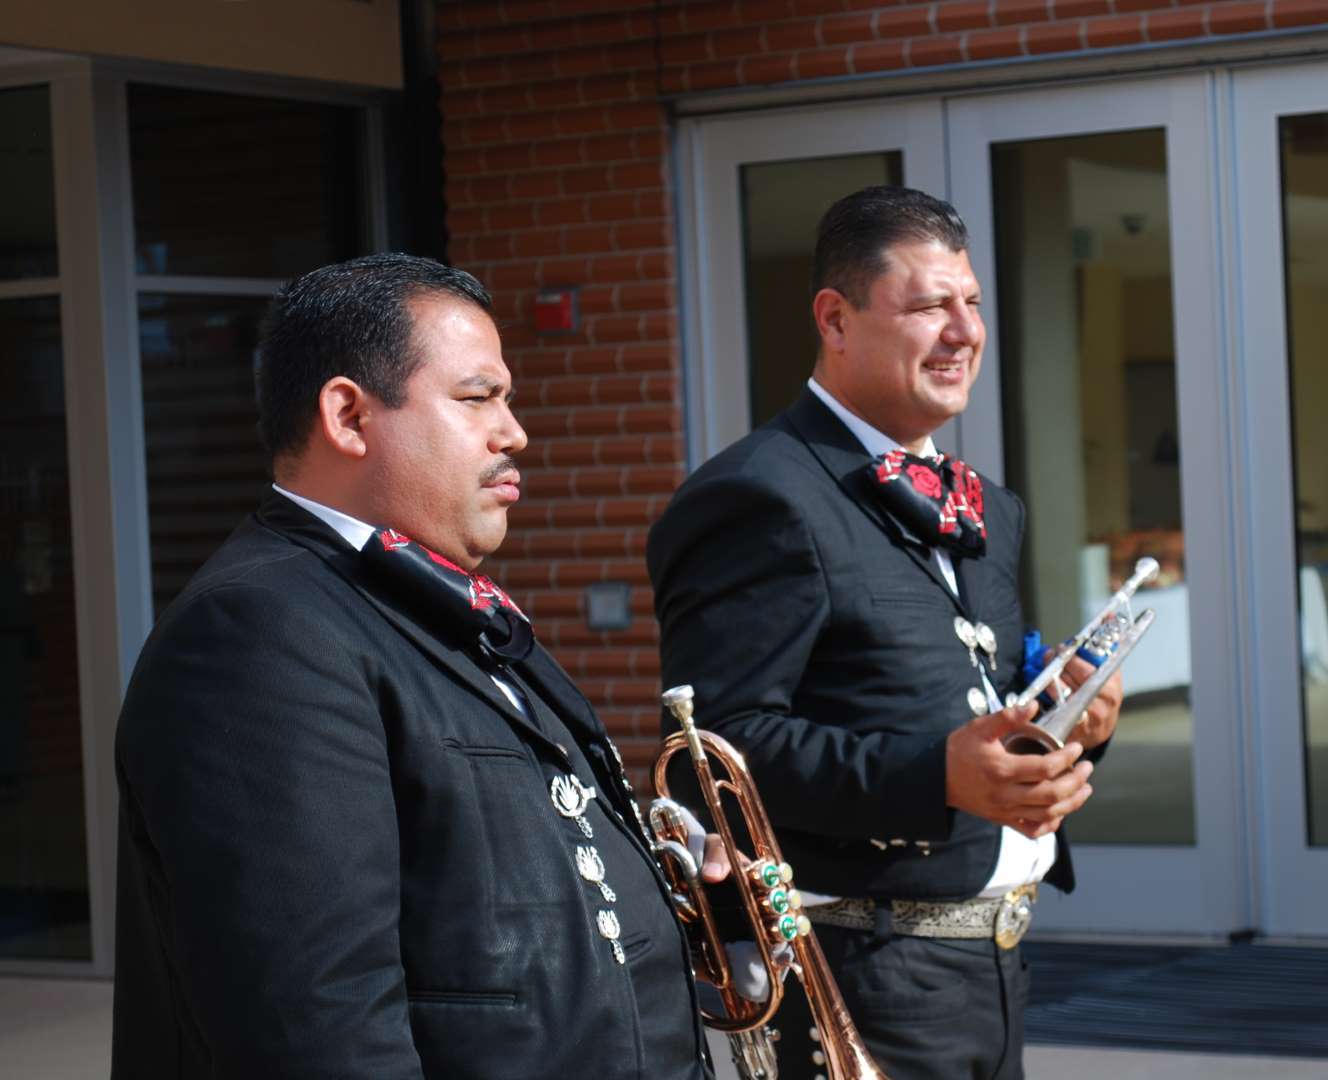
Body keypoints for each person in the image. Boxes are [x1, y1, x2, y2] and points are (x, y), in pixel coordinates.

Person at [113, 254, 721, 1079]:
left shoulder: (430, 599)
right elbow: (318, 1024)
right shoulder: (255, 633)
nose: (513, 433)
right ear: (348, 416)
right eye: (477, 398)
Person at [647, 186, 1124, 1080]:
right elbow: (714, 756)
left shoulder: (991, 505)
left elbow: (956, 698)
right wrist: (936, 778)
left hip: (998, 965)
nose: (964, 331)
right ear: (835, 318)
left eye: (971, 301)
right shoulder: (757, 494)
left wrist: (1066, 722)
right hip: (857, 973)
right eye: (928, 306)